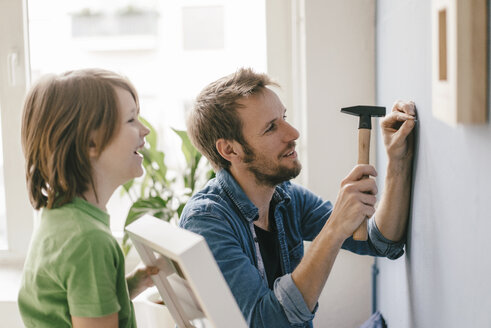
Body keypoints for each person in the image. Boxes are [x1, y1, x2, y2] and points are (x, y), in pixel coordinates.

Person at [179, 68, 416, 327]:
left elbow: (382, 243)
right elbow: (267, 322)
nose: (292, 133)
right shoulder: (206, 221)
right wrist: (335, 227)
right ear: (230, 149)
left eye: (284, 117)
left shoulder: (286, 198)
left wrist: (397, 161)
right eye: (271, 128)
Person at [18, 68, 158, 327]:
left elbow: (76, 308)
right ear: (90, 143)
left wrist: (131, 285)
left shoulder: (62, 217)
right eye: (131, 120)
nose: (145, 130)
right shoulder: (88, 241)